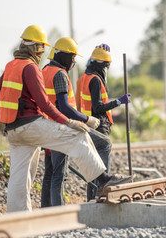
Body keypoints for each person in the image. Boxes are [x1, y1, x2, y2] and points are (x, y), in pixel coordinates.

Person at [0, 25, 132, 212]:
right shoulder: (31, 67)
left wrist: (15, 109)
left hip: (12, 129)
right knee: (76, 135)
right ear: (36, 48)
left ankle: (19, 219)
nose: (43, 52)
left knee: (20, 176)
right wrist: (69, 122)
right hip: (30, 125)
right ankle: (102, 179)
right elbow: (44, 105)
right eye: (42, 47)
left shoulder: (11, 66)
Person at [40, 37, 113, 206]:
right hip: (61, 126)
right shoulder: (60, 74)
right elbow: (64, 106)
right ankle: (102, 186)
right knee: (60, 173)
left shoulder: (44, 70)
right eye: (72, 57)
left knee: (50, 172)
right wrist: (86, 120)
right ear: (64, 55)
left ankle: (46, 210)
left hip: (47, 127)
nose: (73, 61)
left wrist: (98, 52)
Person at [76, 44, 131, 200]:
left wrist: (97, 50)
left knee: (94, 166)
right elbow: (98, 107)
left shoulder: (85, 76)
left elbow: (92, 61)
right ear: (102, 65)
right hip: (98, 125)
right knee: (100, 164)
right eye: (107, 66)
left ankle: (92, 197)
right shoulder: (95, 80)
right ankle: (101, 191)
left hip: (90, 124)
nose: (107, 69)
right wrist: (118, 102)